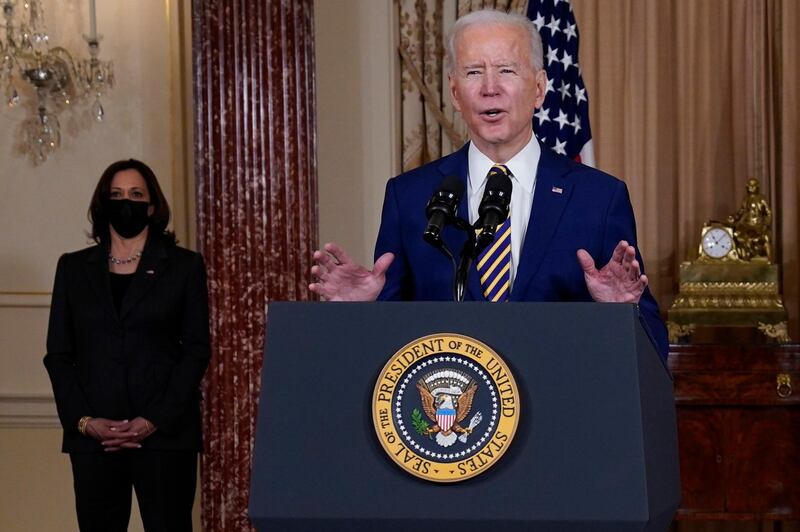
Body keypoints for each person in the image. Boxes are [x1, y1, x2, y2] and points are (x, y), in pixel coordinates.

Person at [309, 9, 668, 361]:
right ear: (454, 91)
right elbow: (389, 347)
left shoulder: (599, 198)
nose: (490, 88)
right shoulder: (410, 196)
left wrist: (624, 312)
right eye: (473, 72)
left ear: (540, 89)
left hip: (563, 409)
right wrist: (358, 313)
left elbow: (654, 345)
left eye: (506, 71)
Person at [44, 159, 210, 531]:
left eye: (136, 194)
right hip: (94, 439)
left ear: (152, 206)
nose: (126, 202)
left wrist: (153, 420)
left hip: (166, 436)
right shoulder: (72, 268)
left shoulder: (184, 267)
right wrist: (85, 422)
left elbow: (196, 349)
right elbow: (58, 355)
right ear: (102, 204)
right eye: (116, 194)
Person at [726, 177, 772, 261]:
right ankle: (743, 256)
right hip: (747, 224)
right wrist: (733, 217)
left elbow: (768, 213)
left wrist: (766, 224)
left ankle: (756, 255)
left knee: (761, 237)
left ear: (757, 186)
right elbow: (741, 212)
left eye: (753, 186)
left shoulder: (761, 198)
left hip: (758, 225)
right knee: (736, 234)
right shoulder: (746, 199)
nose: (751, 187)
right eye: (749, 185)